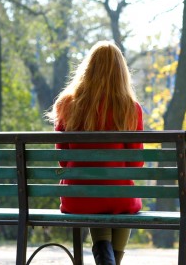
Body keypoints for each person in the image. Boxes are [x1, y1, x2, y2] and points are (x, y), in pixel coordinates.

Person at [47, 41, 144, 265]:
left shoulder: (67, 104)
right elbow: (136, 164)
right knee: (118, 196)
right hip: (119, 199)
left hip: (78, 198)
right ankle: (111, 261)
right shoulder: (130, 108)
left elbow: (63, 159)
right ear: (122, 72)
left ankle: (105, 258)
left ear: (87, 68)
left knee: (95, 192)